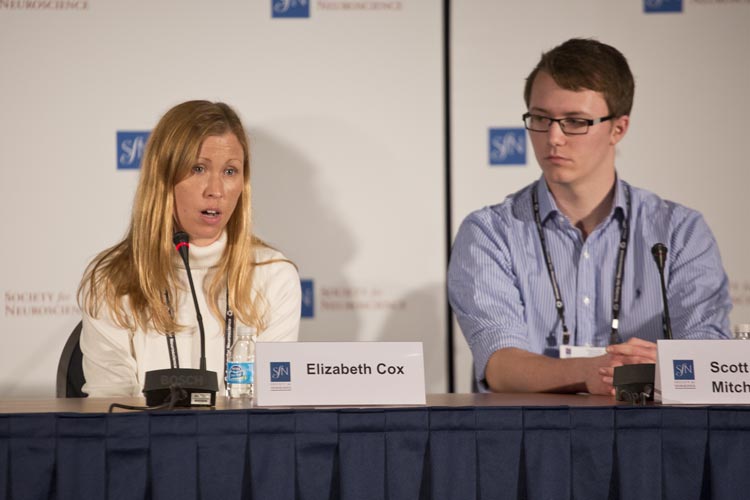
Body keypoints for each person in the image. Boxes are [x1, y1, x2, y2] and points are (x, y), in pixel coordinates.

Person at [448, 38, 731, 395]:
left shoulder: (680, 232)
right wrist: (599, 371)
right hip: (530, 441)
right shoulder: (489, 233)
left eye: (575, 122)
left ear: (619, 128)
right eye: (540, 118)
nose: (553, 137)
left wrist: (664, 366)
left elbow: (710, 357)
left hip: (653, 440)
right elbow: (500, 366)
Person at [78, 100, 301, 397]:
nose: (216, 190)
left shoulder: (273, 275)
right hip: (144, 442)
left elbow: (275, 403)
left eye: (230, 171)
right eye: (198, 168)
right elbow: (111, 406)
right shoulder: (112, 278)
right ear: (163, 178)